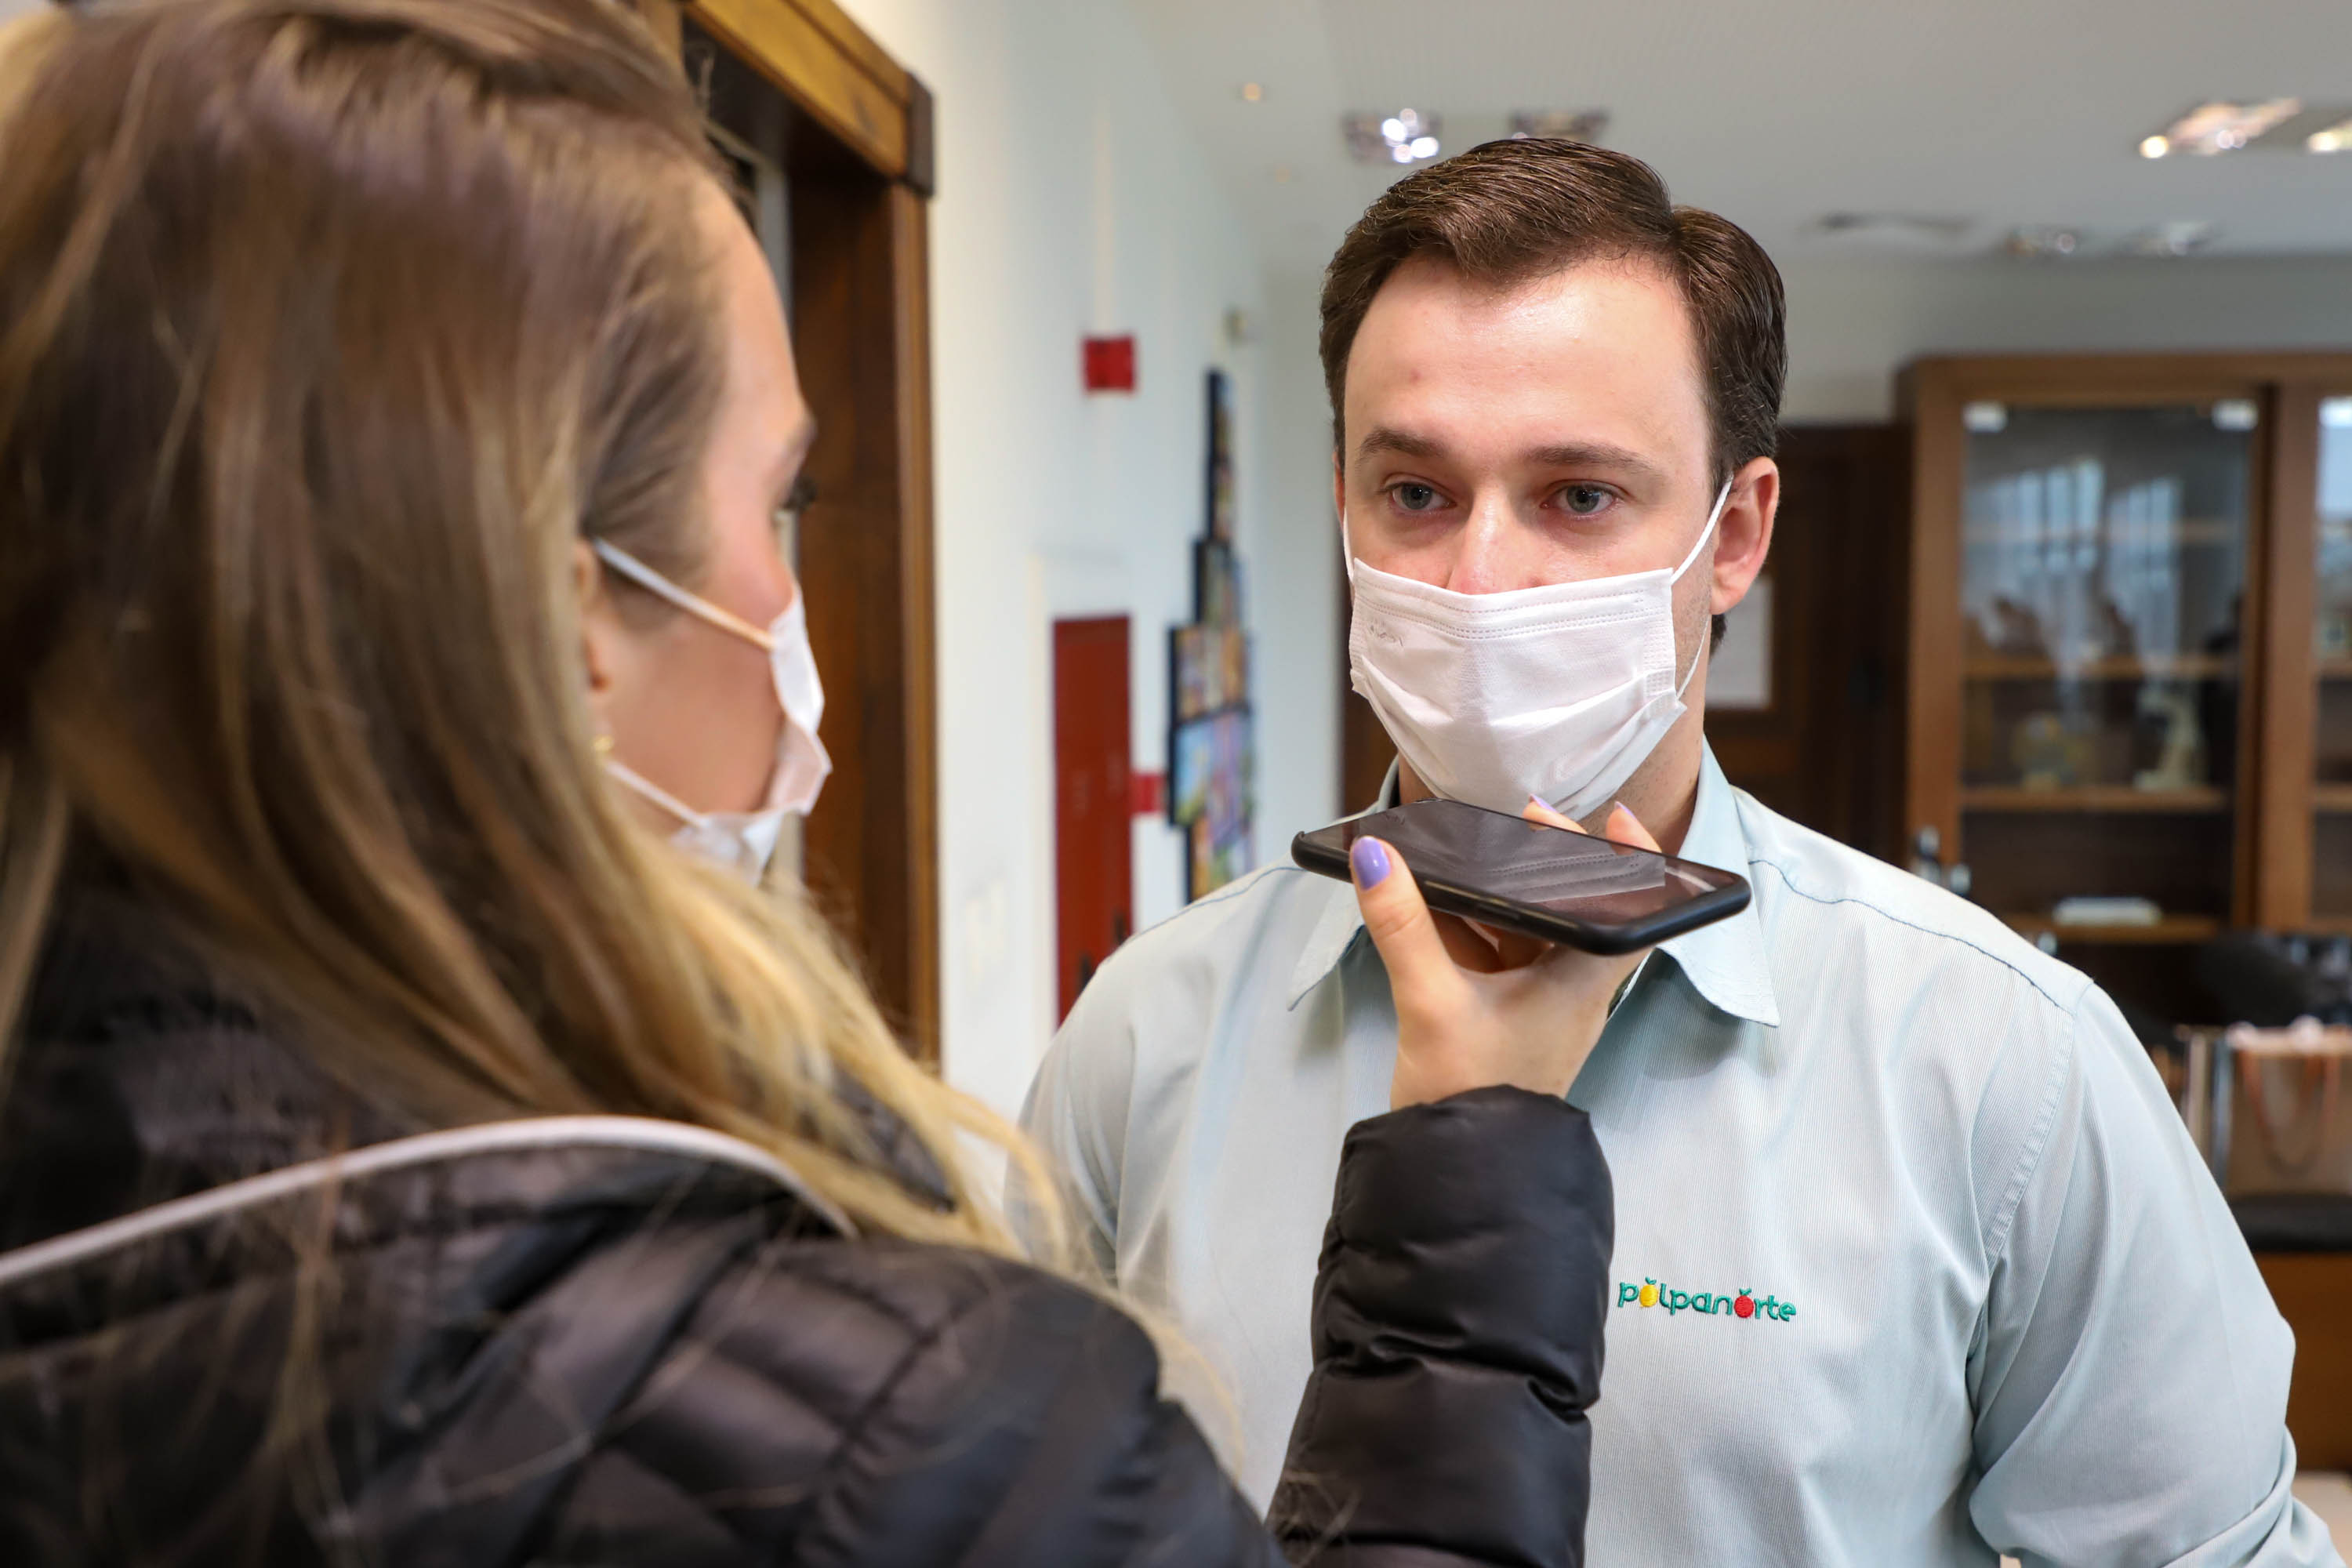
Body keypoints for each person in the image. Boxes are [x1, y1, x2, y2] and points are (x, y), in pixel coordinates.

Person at [0, 2, 1636, 1562]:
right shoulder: (938, 1378)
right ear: (562, 624)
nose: (1483, 583)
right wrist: (1479, 1216)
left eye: (1579, 495)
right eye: (776, 500)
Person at [1024, 139, 2345, 1566]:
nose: (1482, 580)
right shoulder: (1151, 1034)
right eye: (1415, 493)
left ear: (1735, 536)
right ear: (1341, 500)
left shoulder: (1994, 1061)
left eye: (1579, 496)